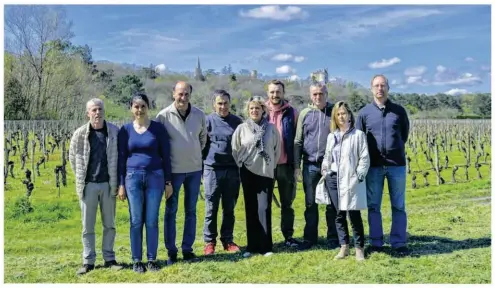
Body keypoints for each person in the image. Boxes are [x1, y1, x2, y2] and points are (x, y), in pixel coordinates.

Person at [117, 93, 173, 273]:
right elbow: (121, 159)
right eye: (136, 106)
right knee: (135, 220)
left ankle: (151, 259)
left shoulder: (158, 129)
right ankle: (136, 260)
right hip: (132, 177)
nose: (139, 110)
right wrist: (121, 184)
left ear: (148, 107)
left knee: (151, 220)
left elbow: (166, 156)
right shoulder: (125, 131)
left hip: (155, 176)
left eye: (143, 106)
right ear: (131, 109)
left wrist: (168, 181)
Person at [356, 74, 410, 256]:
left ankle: (398, 242)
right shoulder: (364, 113)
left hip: (397, 165)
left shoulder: (399, 111)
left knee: (399, 205)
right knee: (373, 206)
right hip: (374, 167)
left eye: (383, 85)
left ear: (388, 88)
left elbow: (404, 135)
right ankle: (377, 242)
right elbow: (359, 138)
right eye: (377, 86)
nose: (380, 89)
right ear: (371, 89)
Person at [69, 98, 122, 275]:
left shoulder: (114, 132)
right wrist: (81, 178)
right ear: (88, 113)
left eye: (99, 109)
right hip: (88, 185)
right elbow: (72, 158)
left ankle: (109, 258)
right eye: (93, 110)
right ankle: (88, 261)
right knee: (87, 226)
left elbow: (119, 157)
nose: (97, 113)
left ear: (103, 111)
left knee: (110, 224)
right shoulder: (79, 134)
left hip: (108, 184)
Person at [156, 81, 207, 264]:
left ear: (190, 95)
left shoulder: (200, 115)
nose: (183, 98)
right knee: (171, 211)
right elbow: (159, 145)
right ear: (173, 94)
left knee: (191, 211)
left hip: (194, 170)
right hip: (174, 172)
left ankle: (187, 249)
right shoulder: (163, 116)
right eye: (180, 94)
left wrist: (193, 153)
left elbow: (203, 139)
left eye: (186, 94)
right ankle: (171, 251)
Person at [231, 96, 281, 258]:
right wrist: (242, 163)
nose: (254, 111)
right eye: (251, 108)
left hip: (266, 172)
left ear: (263, 110)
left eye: (257, 108)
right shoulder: (242, 128)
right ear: (248, 110)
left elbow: (277, 149)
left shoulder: (271, 128)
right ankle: (251, 246)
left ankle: (266, 246)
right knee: (250, 209)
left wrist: (271, 165)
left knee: (264, 209)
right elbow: (235, 149)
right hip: (248, 172)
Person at [321, 101, 370, 261]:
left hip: (351, 179)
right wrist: (326, 171)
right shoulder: (331, 136)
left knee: (354, 213)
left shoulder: (358, 135)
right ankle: (344, 247)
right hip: (333, 179)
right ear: (335, 117)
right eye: (338, 114)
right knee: (338, 214)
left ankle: (359, 248)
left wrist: (359, 175)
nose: (341, 116)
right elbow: (327, 157)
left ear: (349, 115)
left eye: (344, 113)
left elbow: (364, 157)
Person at [293, 83, 338, 251]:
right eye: (315, 94)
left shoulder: (334, 111)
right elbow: (298, 141)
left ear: (326, 94)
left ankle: (333, 238)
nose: (318, 97)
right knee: (310, 204)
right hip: (310, 165)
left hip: (331, 166)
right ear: (310, 95)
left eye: (321, 93)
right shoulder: (305, 114)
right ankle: (310, 238)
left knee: (332, 204)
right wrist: (297, 166)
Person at [201, 89, 243, 255]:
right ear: (214, 104)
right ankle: (209, 242)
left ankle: (227, 240)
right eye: (219, 103)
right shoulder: (207, 121)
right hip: (213, 169)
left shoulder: (237, 122)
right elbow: (202, 146)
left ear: (229, 103)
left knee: (229, 208)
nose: (223, 106)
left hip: (233, 170)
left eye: (225, 103)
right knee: (211, 208)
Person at [265, 80, 301, 248]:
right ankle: (266, 238)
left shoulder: (292, 113)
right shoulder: (261, 111)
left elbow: (297, 140)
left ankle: (288, 236)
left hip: (286, 165)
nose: (275, 95)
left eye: (278, 92)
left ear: (283, 93)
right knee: (264, 204)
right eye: (272, 92)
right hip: (266, 167)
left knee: (287, 204)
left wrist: (296, 166)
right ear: (268, 93)